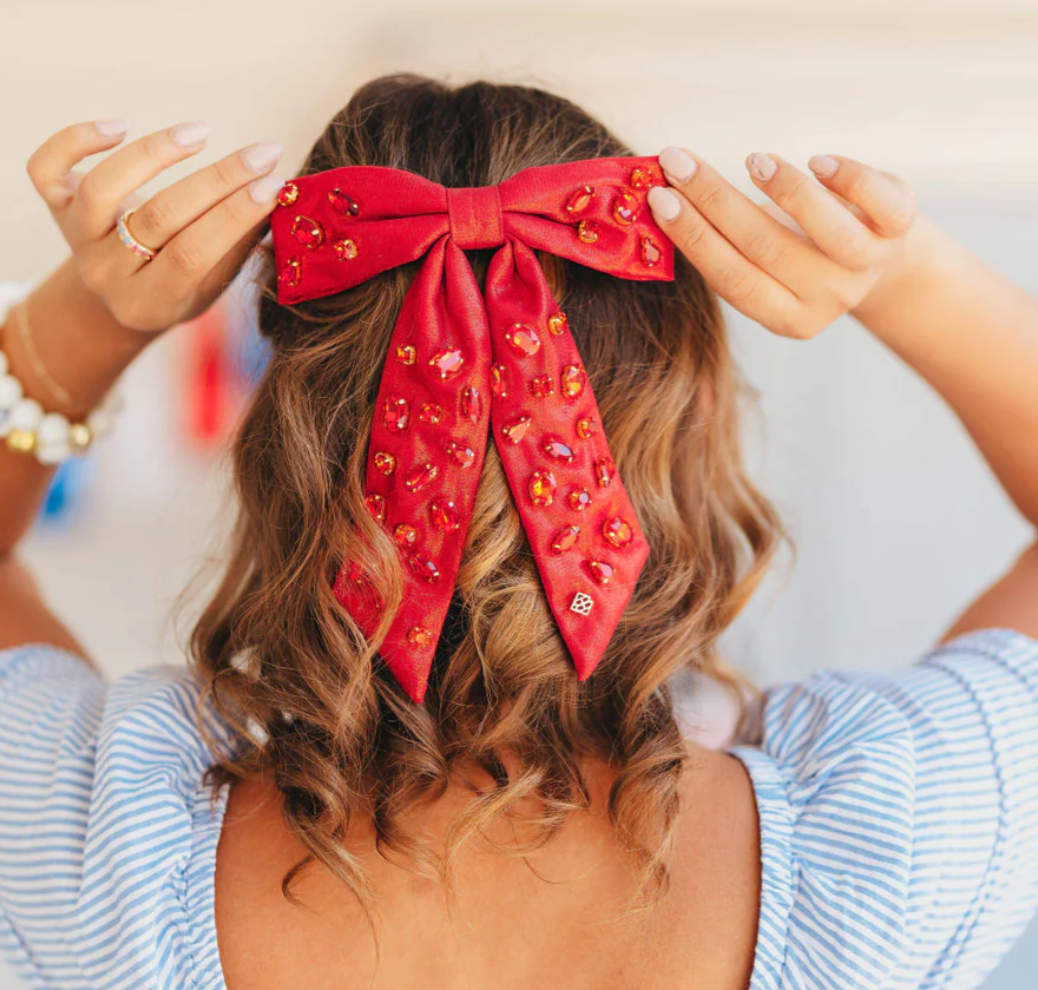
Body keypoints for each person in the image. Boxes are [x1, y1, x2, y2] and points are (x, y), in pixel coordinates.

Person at [0, 73, 1036, 990]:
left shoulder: (101, 861)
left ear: (288, 446)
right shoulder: (879, 857)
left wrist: (97, 316)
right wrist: (905, 279)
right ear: (691, 421)